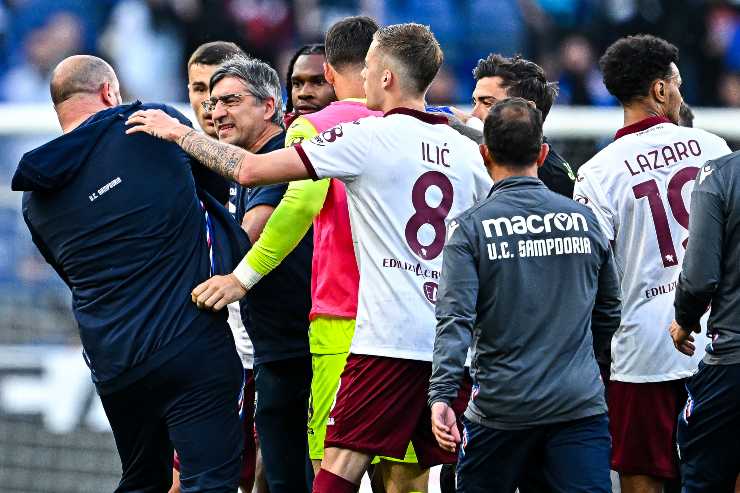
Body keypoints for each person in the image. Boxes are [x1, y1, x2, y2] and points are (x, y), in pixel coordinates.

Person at [125, 22, 492, 493]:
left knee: (333, 471)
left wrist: (178, 134)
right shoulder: (466, 149)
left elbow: (256, 173)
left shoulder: (363, 136)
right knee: (408, 479)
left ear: (383, 78)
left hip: (374, 336)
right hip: (447, 341)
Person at [13, 55, 247, 492]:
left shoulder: (35, 198)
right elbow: (223, 190)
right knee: (210, 480)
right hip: (190, 340)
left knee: (142, 481)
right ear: (108, 93)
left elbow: (71, 273)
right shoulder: (153, 128)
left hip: (116, 363)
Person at [221, 15, 428, 493]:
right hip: (412, 319)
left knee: (332, 471)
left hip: (340, 318)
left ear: (333, 73)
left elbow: (297, 206)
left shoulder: (315, 128)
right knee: (404, 477)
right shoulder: (428, 130)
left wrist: (242, 278)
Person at [429, 97, 621, 493]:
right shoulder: (583, 219)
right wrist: (577, 360)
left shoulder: (471, 229)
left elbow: (455, 318)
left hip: (501, 410)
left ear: (484, 154)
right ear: (543, 152)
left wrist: (443, 395)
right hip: (577, 406)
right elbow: (609, 308)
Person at [573, 35, 731, 493]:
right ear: (661, 90)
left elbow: (590, 274)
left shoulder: (598, 172)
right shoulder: (713, 148)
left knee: (641, 474)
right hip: (717, 344)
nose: (681, 94)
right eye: (677, 84)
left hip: (641, 352)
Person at [205, 54, 314, 493]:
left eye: (231, 100)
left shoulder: (279, 155)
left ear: (269, 106)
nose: (217, 112)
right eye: (213, 103)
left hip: (301, 346)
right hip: (273, 346)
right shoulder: (244, 162)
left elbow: (248, 237)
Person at [170, 40, 257, 493]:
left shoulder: (267, 160)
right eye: (199, 89)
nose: (209, 104)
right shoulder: (175, 161)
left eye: (221, 91)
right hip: (202, 341)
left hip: (263, 344)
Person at [670, 150, 740, 492]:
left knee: (703, 479)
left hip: (733, 360)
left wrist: (684, 318)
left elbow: (700, 278)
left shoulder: (721, 174)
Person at [454, 54, 576, 198]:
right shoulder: (473, 156)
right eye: (475, 103)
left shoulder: (554, 180)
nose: (474, 115)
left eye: (488, 103)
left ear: (525, 111)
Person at [284, 44, 337, 127]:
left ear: (339, 85)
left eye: (318, 82)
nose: (303, 93)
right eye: (297, 84)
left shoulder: (358, 134)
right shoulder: (278, 134)